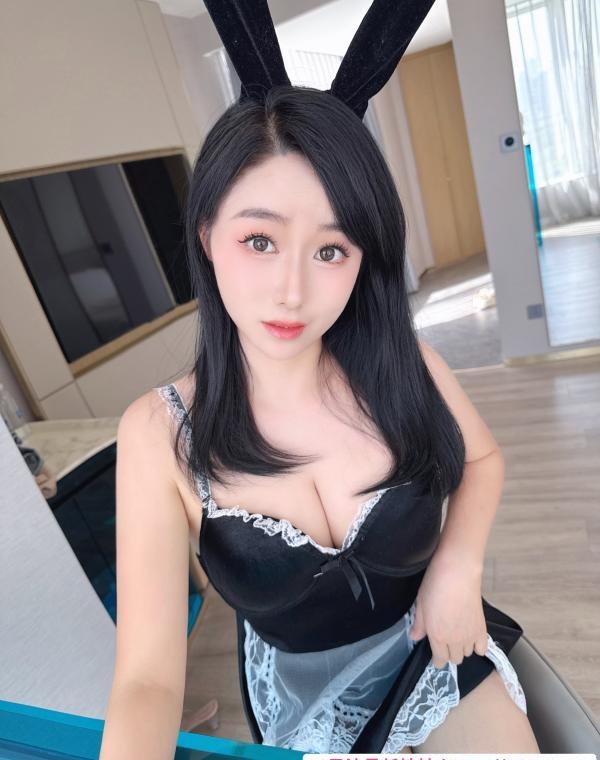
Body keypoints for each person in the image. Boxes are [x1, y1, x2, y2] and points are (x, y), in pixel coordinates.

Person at [99, 3, 541, 757]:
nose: (292, 292)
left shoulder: (404, 365)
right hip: (304, 703)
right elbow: (145, 680)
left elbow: (483, 460)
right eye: (260, 240)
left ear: (363, 259)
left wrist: (458, 566)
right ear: (207, 235)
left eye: (331, 251)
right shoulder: (160, 432)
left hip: (433, 645)